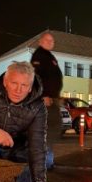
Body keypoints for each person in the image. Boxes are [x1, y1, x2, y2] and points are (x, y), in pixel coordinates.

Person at [30, 32, 62, 168]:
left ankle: (48, 160)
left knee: (53, 128)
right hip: (45, 99)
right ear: (40, 41)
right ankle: (43, 161)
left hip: (52, 99)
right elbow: (36, 77)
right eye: (47, 40)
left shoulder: (49, 56)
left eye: (52, 41)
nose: (50, 42)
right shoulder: (39, 56)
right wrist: (43, 95)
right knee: (47, 129)